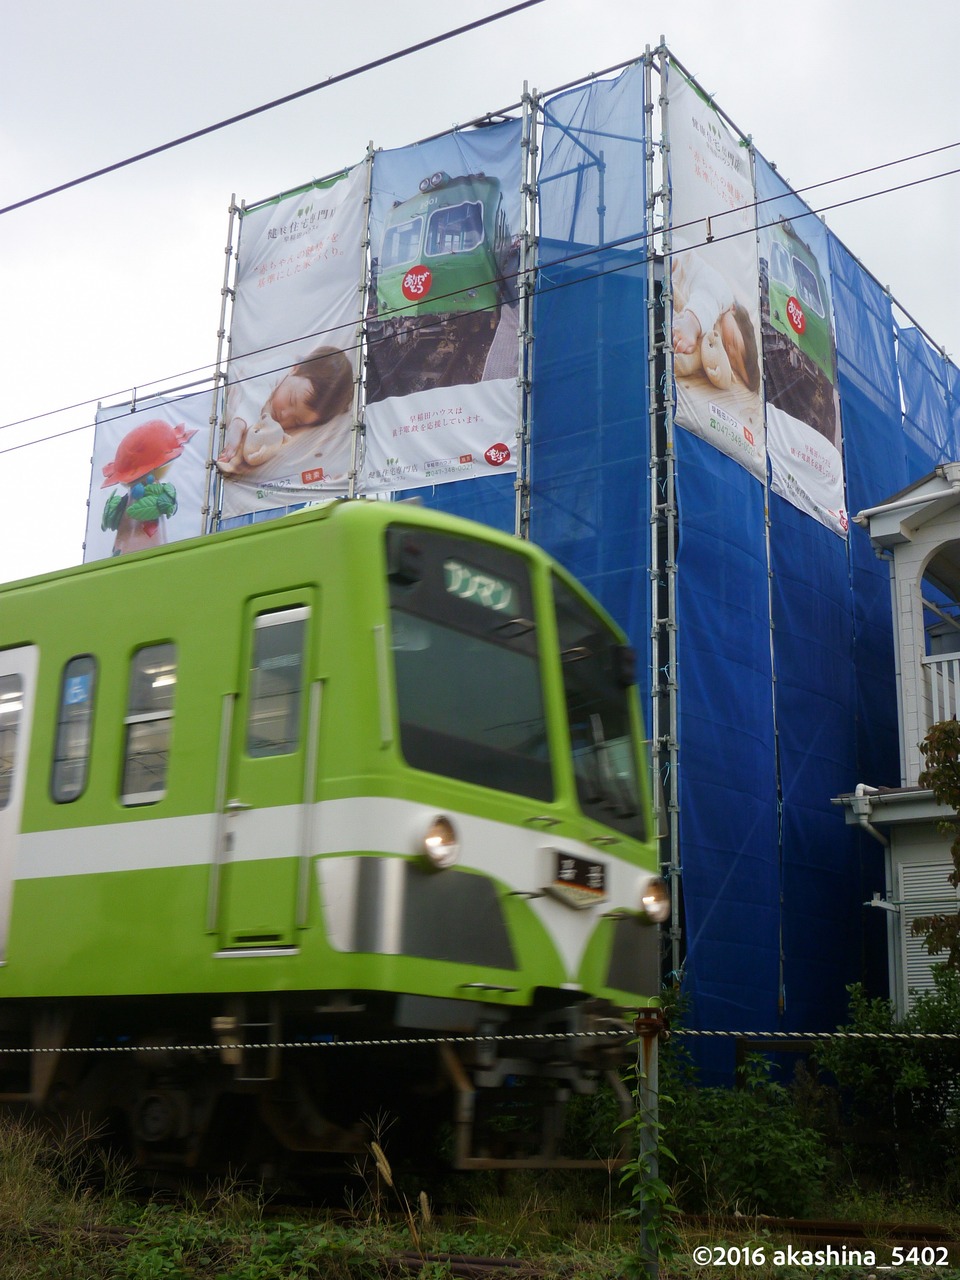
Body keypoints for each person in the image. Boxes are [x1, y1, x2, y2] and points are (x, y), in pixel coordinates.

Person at [217, 345, 354, 476]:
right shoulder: (280, 366)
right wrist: (239, 425)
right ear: (294, 369)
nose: (284, 415)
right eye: (291, 400)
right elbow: (255, 395)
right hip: (225, 387)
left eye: (297, 421)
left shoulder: (275, 424)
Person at [671, 248, 761, 394]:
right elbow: (708, 296)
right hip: (674, 260)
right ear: (733, 309)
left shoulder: (715, 340)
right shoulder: (724, 296)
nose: (731, 352)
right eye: (735, 343)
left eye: (735, 366)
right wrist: (692, 323)